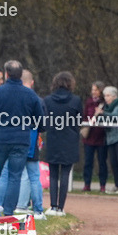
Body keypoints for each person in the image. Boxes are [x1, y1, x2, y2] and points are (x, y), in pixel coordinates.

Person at [0, 60, 44, 216]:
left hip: (0, 139)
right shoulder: (31, 95)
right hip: (21, 140)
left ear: (6, 74)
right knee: (15, 176)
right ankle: (9, 212)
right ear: (20, 74)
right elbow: (41, 122)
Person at [42, 71, 82, 215]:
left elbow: (45, 120)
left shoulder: (47, 100)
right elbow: (79, 120)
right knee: (65, 173)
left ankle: (52, 206)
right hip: (70, 140)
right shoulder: (76, 100)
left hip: (53, 139)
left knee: (53, 174)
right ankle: (60, 208)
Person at [100, 86, 118, 194]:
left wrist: (102, 113)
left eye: (108, 95)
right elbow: (102, 118)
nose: (106, 98)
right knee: (113, 162)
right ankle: (117, 185)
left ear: (114, 96)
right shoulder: (106, 107)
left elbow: (114, 116)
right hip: (111, 137)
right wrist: (99, 114)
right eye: (105, 96)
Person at [81, 81, 108, 192]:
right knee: (88, 162)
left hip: (101, 137)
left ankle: (102, 185)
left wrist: (101, 113)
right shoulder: (89, 102)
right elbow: (85, 116)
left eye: (96, 90)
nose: (93, 92)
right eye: (92, 90)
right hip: (89, 137)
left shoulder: (105, 103)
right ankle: (87, 184)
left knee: (102, 162)